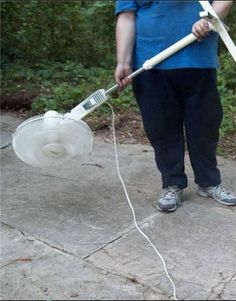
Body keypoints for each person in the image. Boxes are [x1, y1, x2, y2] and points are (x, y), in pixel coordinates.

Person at [114, 0, 236, 212]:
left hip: (198, 59)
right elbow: (126, 16)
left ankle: (209, 182)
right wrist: (122, 61)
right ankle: (172, 183)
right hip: (150, 63)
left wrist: (209, 19)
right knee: (161, 127)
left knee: (204, 126)